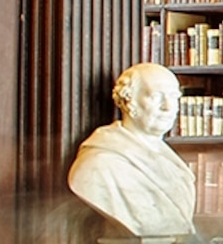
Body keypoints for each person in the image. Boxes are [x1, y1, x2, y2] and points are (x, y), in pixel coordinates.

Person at [69, 63, 197, 241]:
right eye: (156, 97)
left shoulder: (173, 163)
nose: (168, 107)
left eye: (174, 97)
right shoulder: (100, 164)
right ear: (129, 100)